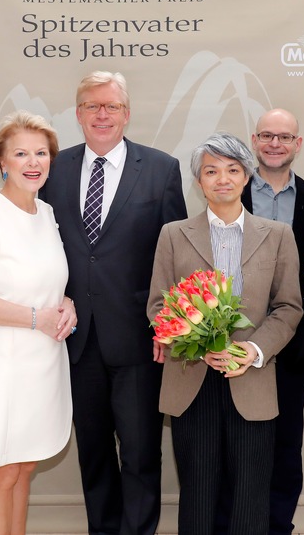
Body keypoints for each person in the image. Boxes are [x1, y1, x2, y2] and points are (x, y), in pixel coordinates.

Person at [38, 71, 187, 535]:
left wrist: (169, 325)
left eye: (112, 106)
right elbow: (42, 245)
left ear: (127, 113)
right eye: (92, 105)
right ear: (77, 113)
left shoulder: (161, 168)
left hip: (140, 339)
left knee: (142, 453)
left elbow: (174, 255)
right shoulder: (53, 169)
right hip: (77, 338)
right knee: (94, 452)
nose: (102, 114)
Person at [147, 132, 303, 535]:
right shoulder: (173, 234)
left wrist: (251, 350)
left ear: (247, 177)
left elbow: (288, 307)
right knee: (198, 490)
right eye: (211, 171)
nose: (222, 179)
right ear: (198, 182)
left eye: (233, 170)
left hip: (252, 378)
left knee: (251, 492)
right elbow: (159, 308)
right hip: (192, 379)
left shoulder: (277, 234)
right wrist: (201, 347)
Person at [0, 111, 76, 535]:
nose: (33, 161)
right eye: (21, 153)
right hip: (2, 366)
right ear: (2, 161)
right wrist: (35, 318)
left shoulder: (45, 213)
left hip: (43, 362)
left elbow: (48, 281)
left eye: (41, 153)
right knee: (2, 472)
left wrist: (66, 304)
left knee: (25, 467)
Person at [247, 109, 304, 535]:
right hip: (238, 338)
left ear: (298, 144)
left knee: (286, 441)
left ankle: (277, 525)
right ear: (254, 140)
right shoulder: (228, 190)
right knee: (240, 443)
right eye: (267, 135)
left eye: (284, 137)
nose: (275, 143)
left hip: (294, 341)